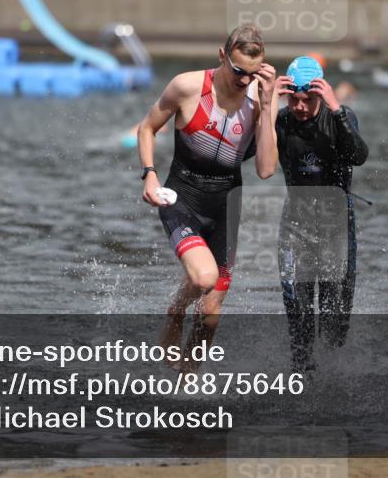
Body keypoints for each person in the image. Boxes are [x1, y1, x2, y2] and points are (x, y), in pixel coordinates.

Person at [137, 25, 278, 370]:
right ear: (222, 56)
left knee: (211, 311)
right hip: (182, 197)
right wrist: (150, 174)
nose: (244, 81)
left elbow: (265, 169)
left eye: (253, 74)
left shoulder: (260, 94)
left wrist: (267, 104)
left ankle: (186, 387)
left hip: (226, 204)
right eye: (239, 71)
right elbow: (147, 128)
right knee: (203, 279)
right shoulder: (187, 86)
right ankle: (175, 308)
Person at [275, 56, 368, 372]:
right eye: (294, 99)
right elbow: (254, 157)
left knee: (333, 318)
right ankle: (302, 376)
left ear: (320, 94)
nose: (300, 107)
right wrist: (264, 104)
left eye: (308, 100)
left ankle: (333, 377)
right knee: (298, 310)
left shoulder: (338, 116)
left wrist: (337, 109)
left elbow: (359, 155)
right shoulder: (282, 121)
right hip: (296, 222)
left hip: (336, 225)